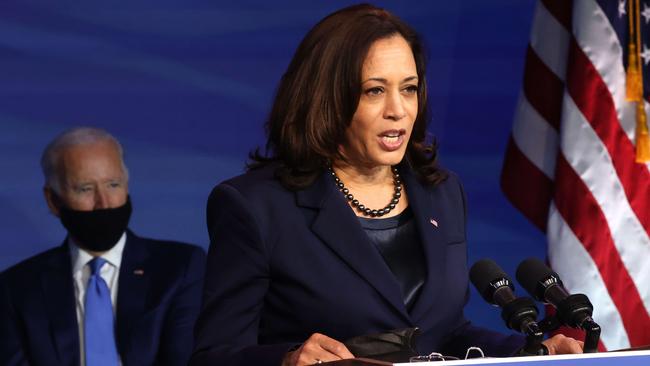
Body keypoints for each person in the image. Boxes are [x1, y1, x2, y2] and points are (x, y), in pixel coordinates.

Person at [190, 5, 583, 366]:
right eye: (374, 90)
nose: (398, 110)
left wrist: (530, 353)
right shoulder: (255, 206)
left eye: (408, 88)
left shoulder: (442, 193)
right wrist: (286, 359)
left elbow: (445, 334)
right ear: (327, 99)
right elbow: (213, 356)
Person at [0, 127, 206, 366]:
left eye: (113, 185)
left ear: (127, 186)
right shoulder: (15, 290)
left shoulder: (179, 269)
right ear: (53, 200)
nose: (104, 203)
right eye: (85, 189)